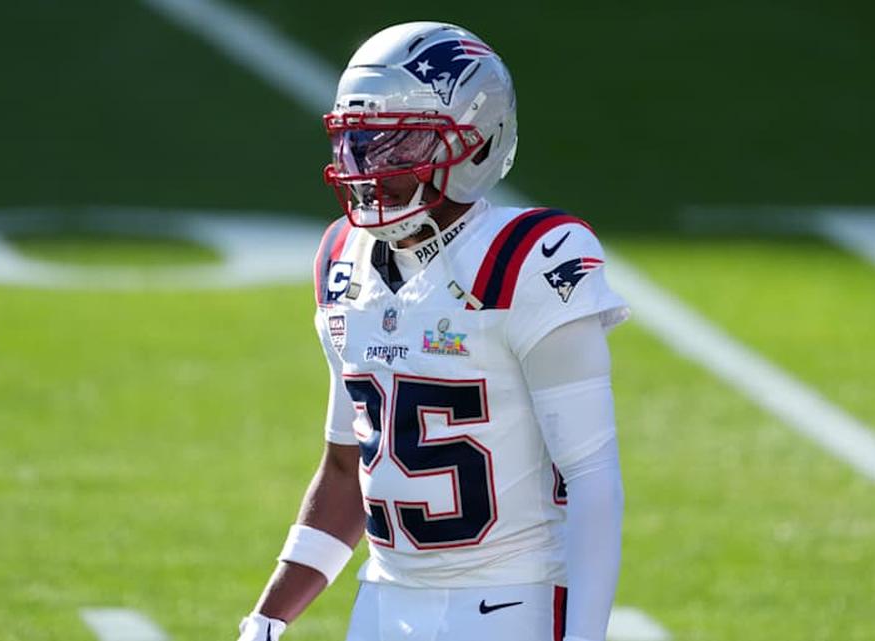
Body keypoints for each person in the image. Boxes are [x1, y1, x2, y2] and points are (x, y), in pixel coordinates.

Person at [236, 21, 629, 641]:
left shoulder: (527, 259)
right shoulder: (344, 260)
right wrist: (267, 616)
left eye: (398, 146)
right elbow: (347, 470)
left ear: (474, 144)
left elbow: (592, 477)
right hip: (386, 601)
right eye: (359, 141)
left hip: (513, 601)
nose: (369, 167)